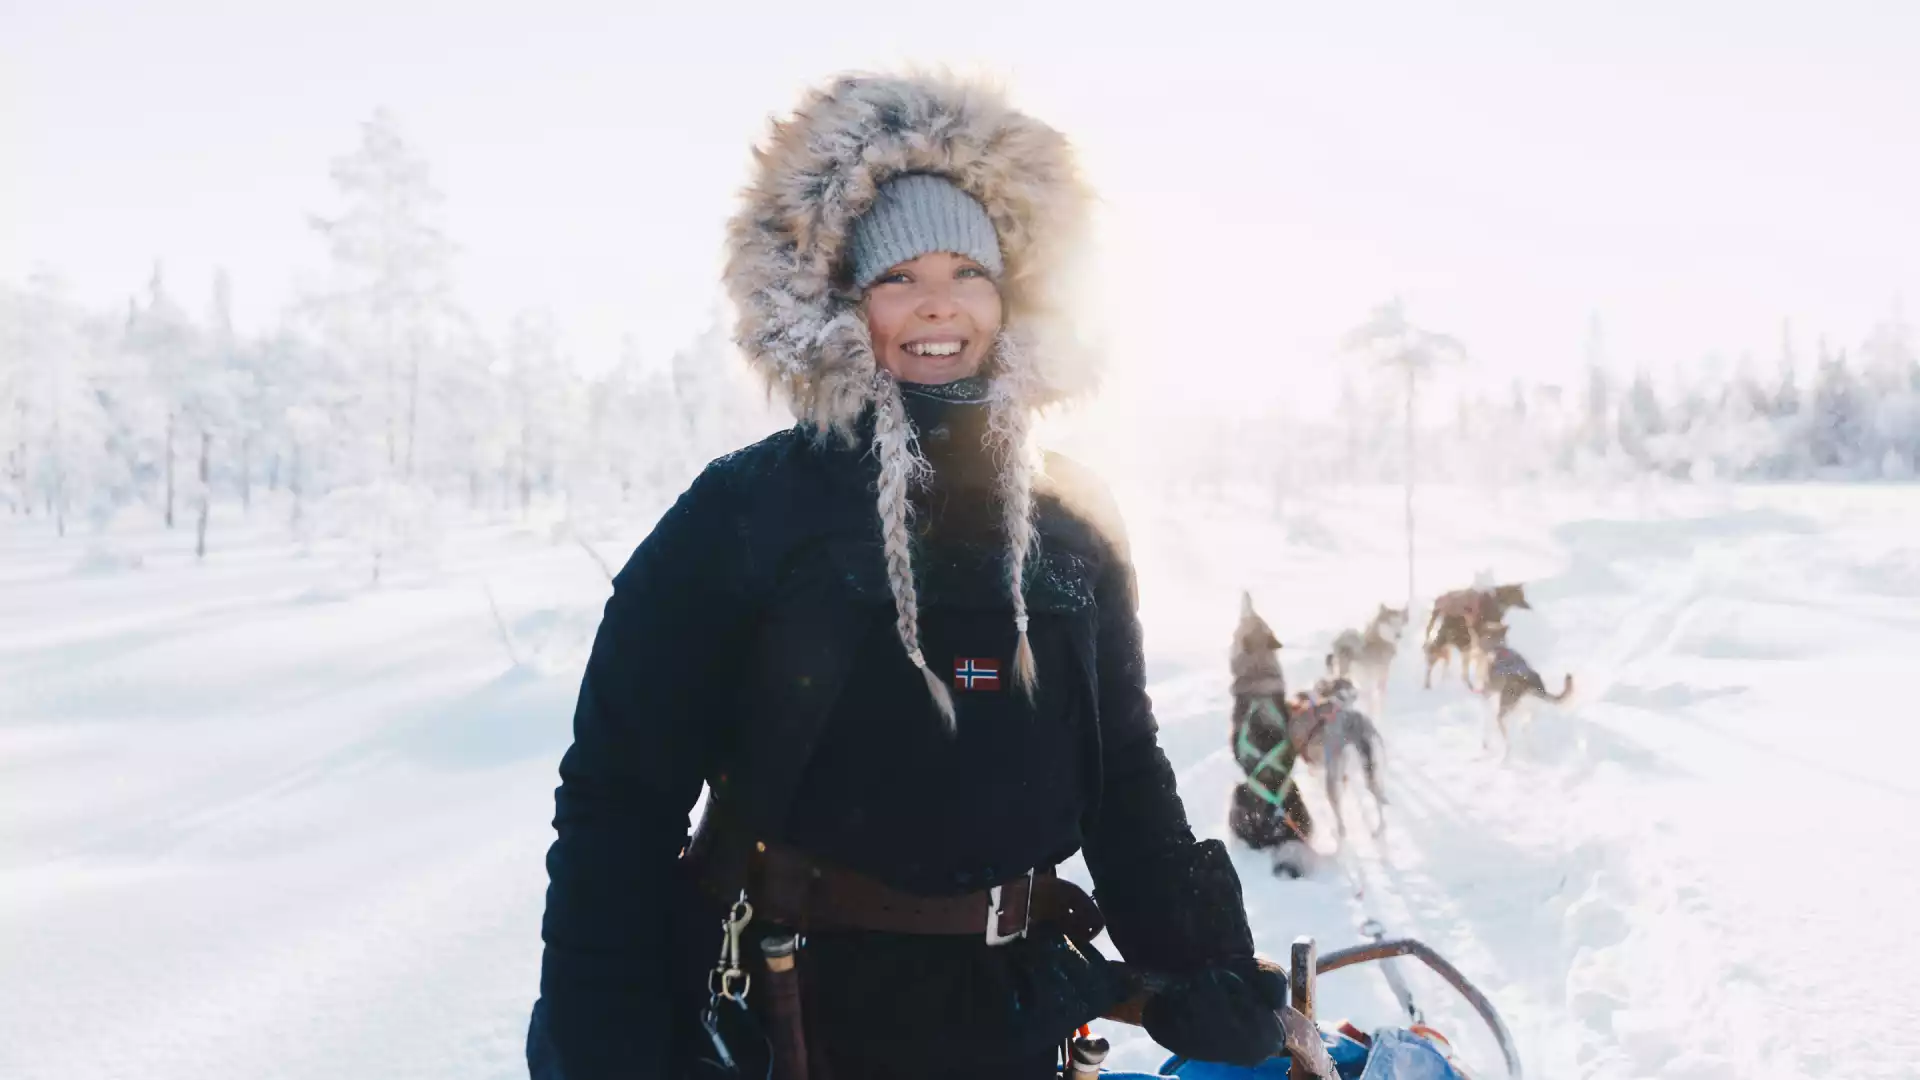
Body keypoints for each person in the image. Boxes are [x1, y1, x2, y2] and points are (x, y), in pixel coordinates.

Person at [527, 71, 1285, 1080]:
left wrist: (1198, 966)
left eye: (969, 271)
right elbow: (621, 793)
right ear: (841, 301)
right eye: (897, 277)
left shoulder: (1073, 523)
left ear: (1015, 296)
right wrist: (600, 1031)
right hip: (791, 1011)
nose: (939, 305)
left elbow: (1126, 776)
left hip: (1015, 1010)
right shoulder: (749, 513)